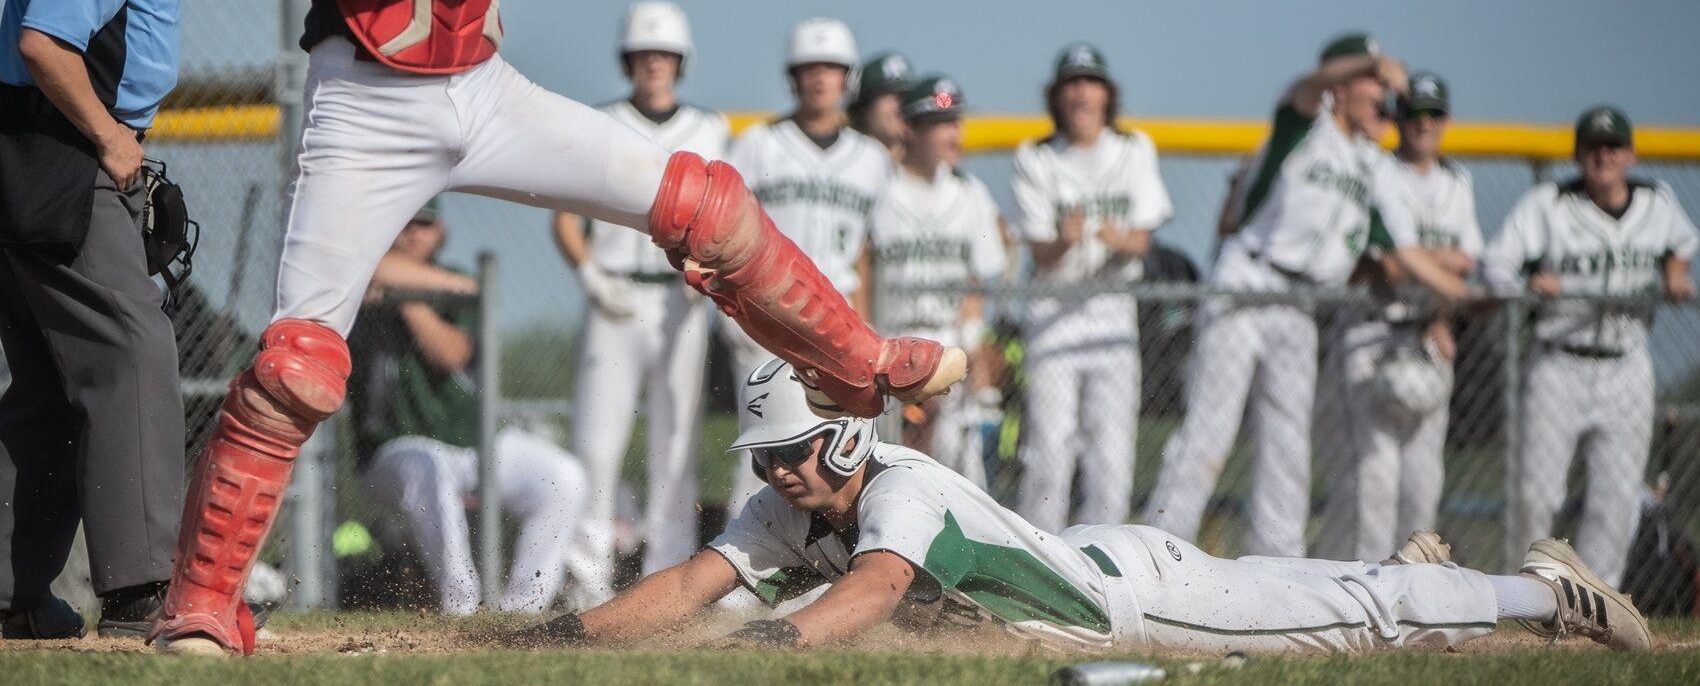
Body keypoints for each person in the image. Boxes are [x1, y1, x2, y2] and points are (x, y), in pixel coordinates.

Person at [148, 0, 961, 656]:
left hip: (481, 85)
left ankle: (860, 363)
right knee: (299, 363)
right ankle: (200, 605)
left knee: (706, 201)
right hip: (368, 99)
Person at [521, 359, 1652, 655]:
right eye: (762, 457)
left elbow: (874, 588)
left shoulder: (898, 488)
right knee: (1306, 593)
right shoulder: (792, 506)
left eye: (785, 452)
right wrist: (557, 638)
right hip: (1089, 557)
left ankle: (1537, 588)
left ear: (841, 433)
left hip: (1124, 601)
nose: (771, 472)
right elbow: (687, 581)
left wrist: (763, 647)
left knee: (1342, 617)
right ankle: (1405, 571)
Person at [0, 0, 239, 640]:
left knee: (57, 385)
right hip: (60, 144)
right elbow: (45, 43)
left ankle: (11, 593)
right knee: (134, 349)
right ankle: (144, 587)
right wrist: (112, 144)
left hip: (35, 139)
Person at [1144, 34, 1468, 558]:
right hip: (1248, 285)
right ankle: (1158, 551)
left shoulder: (1375, 166)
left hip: (1300, 308)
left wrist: (1465, 293)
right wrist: (1373, 62)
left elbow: (1406, 253)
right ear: (1340, 86)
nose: (1383, 97)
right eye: (1372, 84)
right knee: (1210, 430)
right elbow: (1304, 86)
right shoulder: (1305, 123)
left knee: (1288, 447)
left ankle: (1279, 571)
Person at [553, 0, 729, 601]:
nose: (653, 63)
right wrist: (591, 277)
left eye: (664, 55)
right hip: (615, 295)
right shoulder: (601, 118)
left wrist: (708, 269)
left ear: (681, 61)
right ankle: (587, 586)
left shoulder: (710, 128)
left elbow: (724, 216)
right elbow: (566, 218)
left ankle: (667, 584)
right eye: (644, 54)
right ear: (628, 59)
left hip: (681, 299)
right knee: (595, 449)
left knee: (676, 448)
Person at [1484, 105, 1697, 588]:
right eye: (1594, 147)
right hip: (1559, 359)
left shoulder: (1656, 201)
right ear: (1578, 154)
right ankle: (1524, 595)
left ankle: (1597, 604)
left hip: (1627, 364)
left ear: (1631, 154)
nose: (1604, 155)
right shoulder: (1549, 204)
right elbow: (1496, 265)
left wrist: (1676, 271)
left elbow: (1681, 246)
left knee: (1616, 498)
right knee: (1535, 494)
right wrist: (1528, 283)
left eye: (1613, 146)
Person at [351, 202, 588, 615]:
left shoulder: (455, 280)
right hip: (391, 452)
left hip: (471, 443)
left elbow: (452, 353)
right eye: (403, 224)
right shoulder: (356, 278)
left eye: (422, 226)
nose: (411, 235)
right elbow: (373, 266)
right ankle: (461, 606)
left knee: (563, 478)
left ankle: (522, 611)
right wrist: (388, 281)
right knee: (428, 465)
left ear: (440, 231)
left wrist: (408, 299)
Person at [721, 18, 893, 516]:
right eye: (808, 68)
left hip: (835, 317)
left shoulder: (872, 158)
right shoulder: (756, 143)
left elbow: (866, 249)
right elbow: (728, 226)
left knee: (833, 447)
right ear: (791, 77)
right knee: (763, 438)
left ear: (847, 78)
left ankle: (815, 566)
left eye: (831, 68)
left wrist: (863, 325)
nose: (820, 79)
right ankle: (745, 558)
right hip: (765, 310)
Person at [1314, 72, 1483, 562]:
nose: (1422, 123)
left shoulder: (1457, 182)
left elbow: (1468, 261)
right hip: (1373, 331)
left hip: (1428, 334)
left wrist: (1440, 311)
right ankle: (1368, 593)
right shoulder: (1376, 171)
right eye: (1411, 113)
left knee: (1422, 481)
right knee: (1373, 479)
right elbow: (1377, 265)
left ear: (1446, 120)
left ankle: (1418, 591)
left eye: (1432, 113)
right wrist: (1438, 259)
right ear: (1396, 118)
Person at [1013, 44, 1172, 531]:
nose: (1082, 91)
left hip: (1111, 310)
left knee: (1112, 451)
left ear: (1107, 93)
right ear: (1057, 95)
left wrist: (1118, 239)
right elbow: (1040, 253)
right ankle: (1037, 559)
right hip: (1055, 310)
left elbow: (1143, 237)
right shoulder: (1036, 156)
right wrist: (1063, 242)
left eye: (1091, 81)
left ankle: (1106, 564)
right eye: (1072, 83)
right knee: (1049, 450)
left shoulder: (1132, 148)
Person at [868, 75, 1007, 485]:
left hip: (949, 345)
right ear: (910, 128)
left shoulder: (970, 194)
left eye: (955, 121)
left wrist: (972, 347)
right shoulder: (881, 191)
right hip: (887, 344)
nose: (954, 132)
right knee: (886, 468)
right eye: (940, 122)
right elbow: (860, 266)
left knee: (957, 472)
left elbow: (976, 282)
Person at [847, 50, 912, 161]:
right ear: (863, 110)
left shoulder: (932, 171)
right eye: (889, 95)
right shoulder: (844, 166)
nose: (901, 105)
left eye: (905, 96)